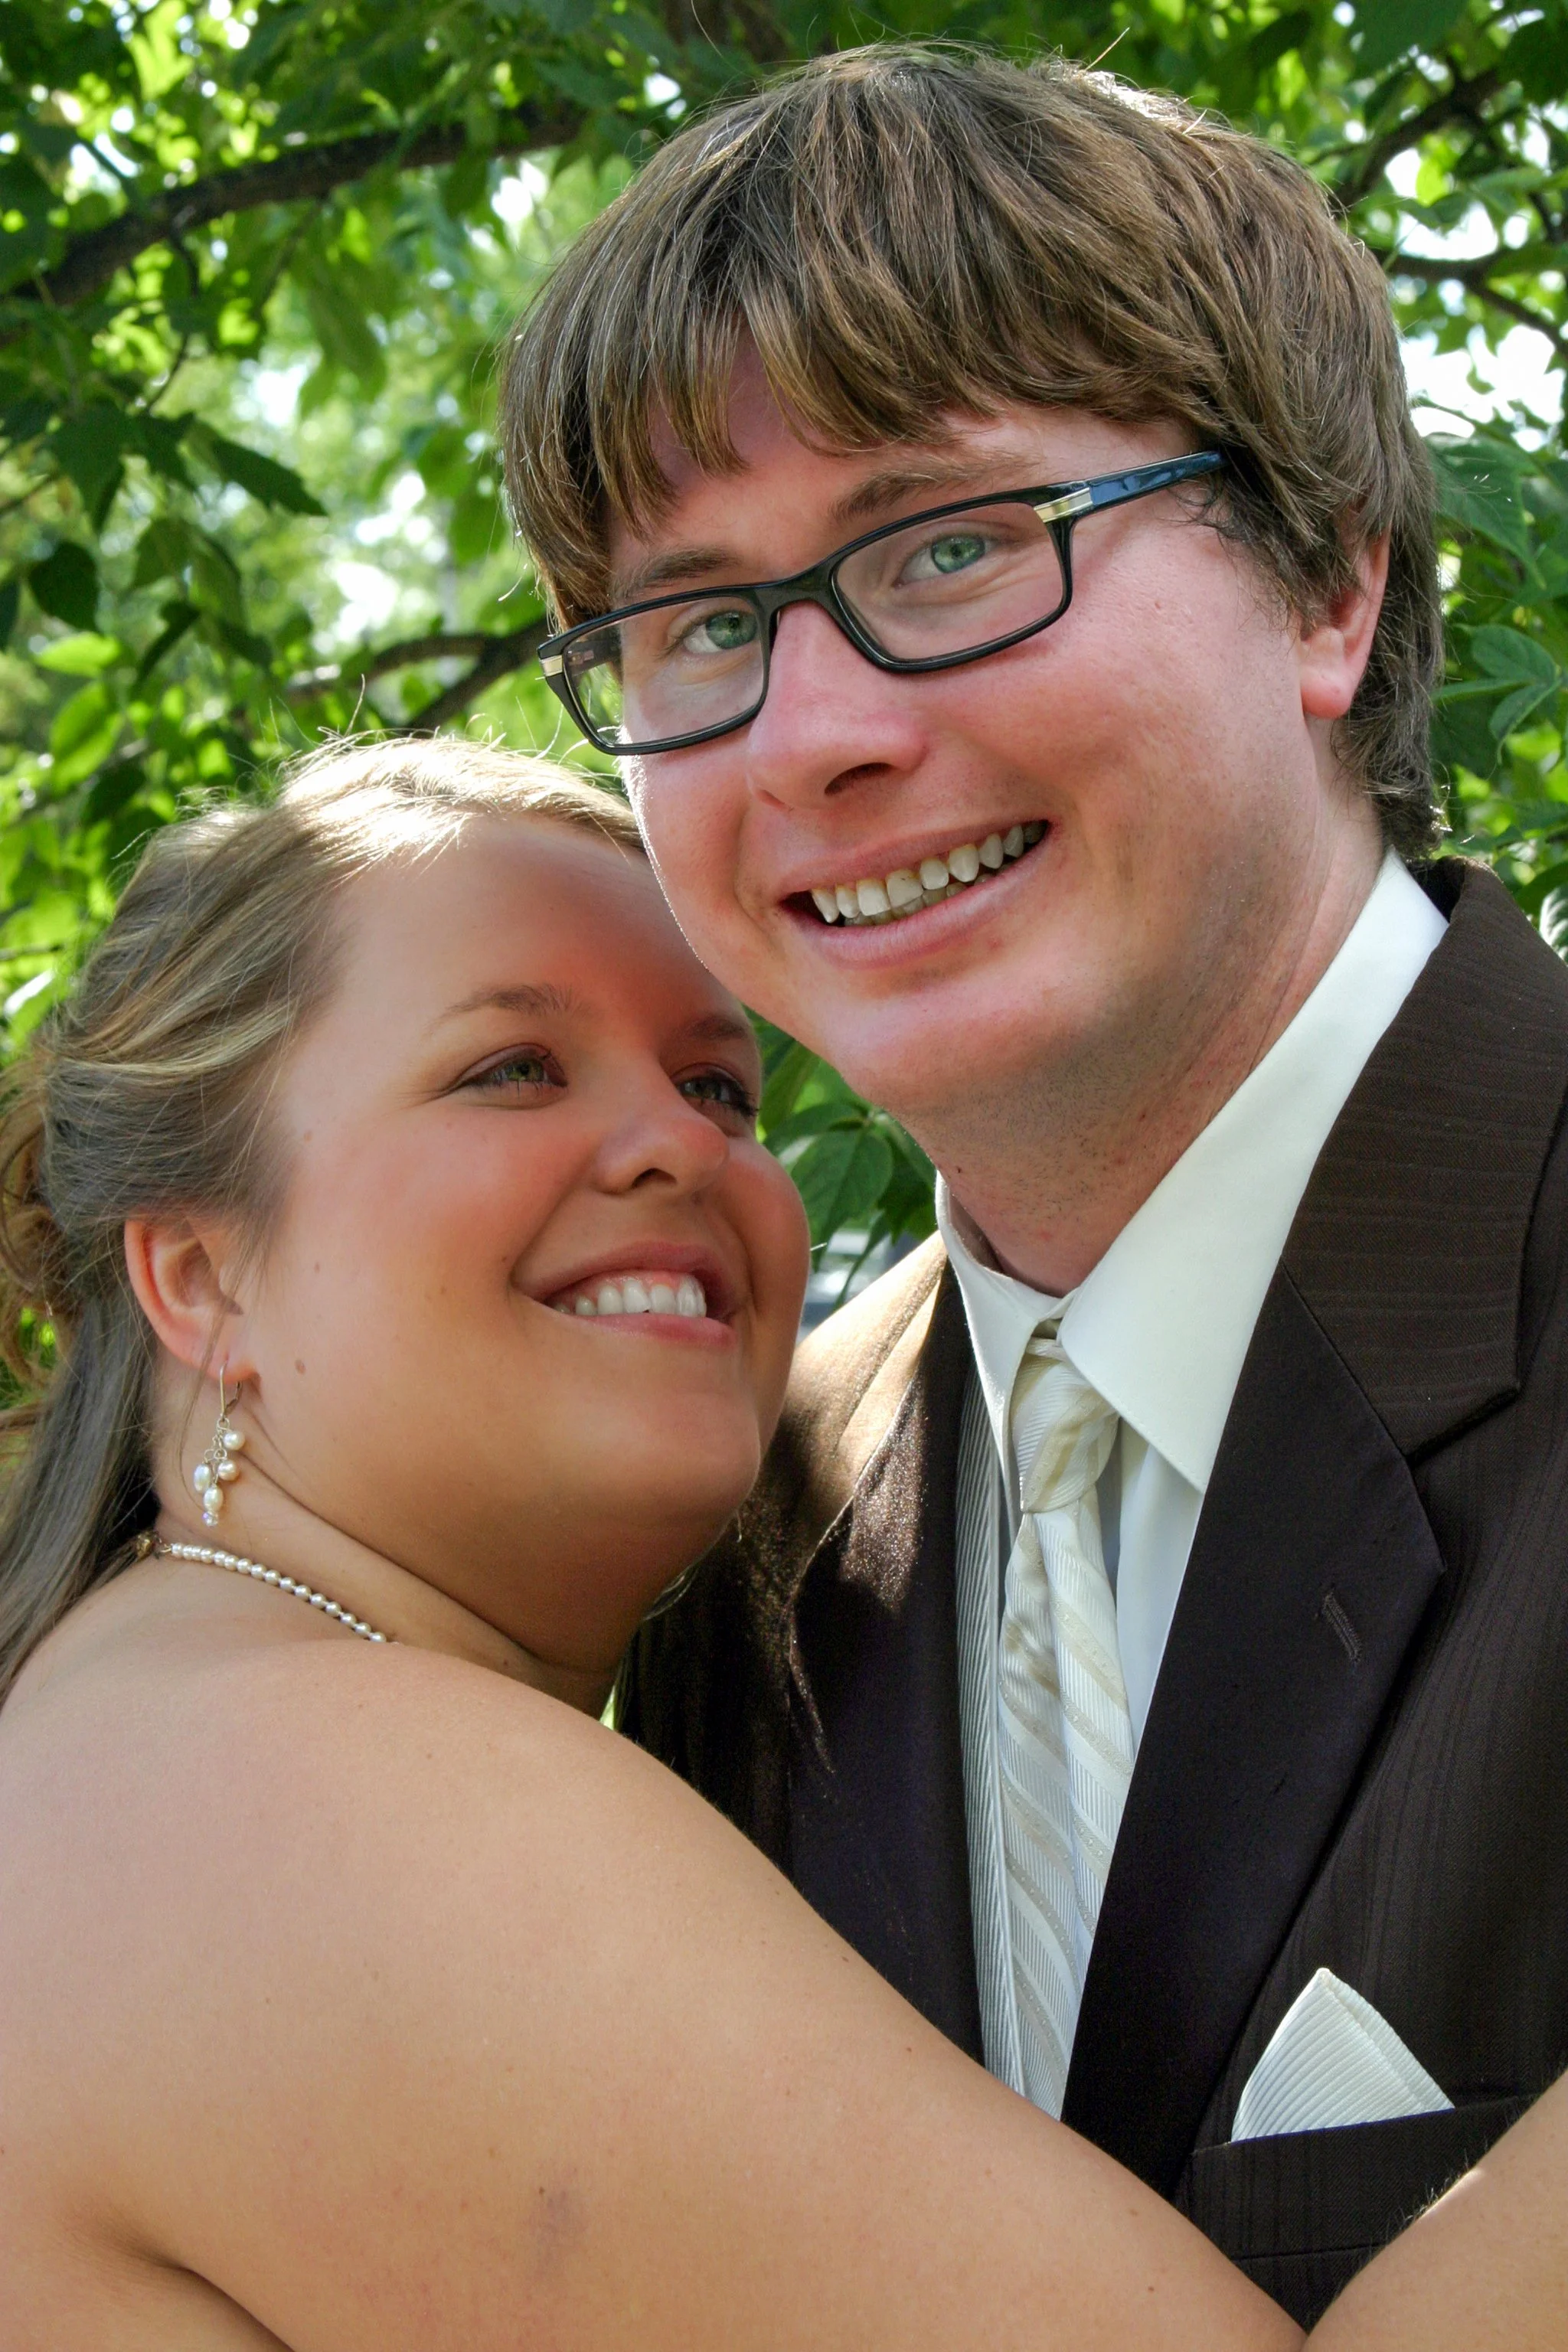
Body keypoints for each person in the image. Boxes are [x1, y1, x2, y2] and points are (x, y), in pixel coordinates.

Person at [501, 43, 1568, 2326]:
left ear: (1331, 591)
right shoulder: (743, 1533)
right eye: (697, 625)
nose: (814, 734)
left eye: (956, 546)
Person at [0, 735, 1304, 2348]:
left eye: (717, 1084)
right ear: (199, 1277)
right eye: (512, 1069)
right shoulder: (325, 1785)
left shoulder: (131, 1726)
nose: (676, 1146)